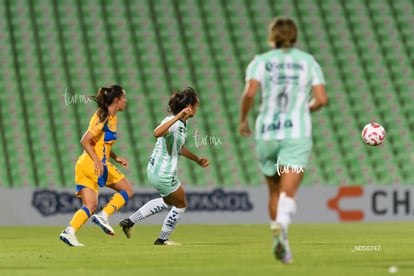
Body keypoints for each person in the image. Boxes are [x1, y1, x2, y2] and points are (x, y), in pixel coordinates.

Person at [238, 17, 328, 263]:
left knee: (274, 190)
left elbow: (249, 94)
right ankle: (281, 225)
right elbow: (321, 99)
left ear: (272, 37)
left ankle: (281, 241)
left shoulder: (260, 62)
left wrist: (243, 120)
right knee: (289, 190)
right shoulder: (308, 62)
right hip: (295, 133)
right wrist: (304, 109)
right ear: (296, 36)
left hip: (266, 131)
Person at [119, 87, 209, 245]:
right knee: (181, 204)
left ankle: (129, 222)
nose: (197, 108)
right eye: (196, 105)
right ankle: (162, 239)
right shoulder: (173, 122)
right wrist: (177, 117)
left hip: (156, 170)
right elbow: (156, 133)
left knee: (167, 202)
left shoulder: (179, 123)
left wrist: (197, 159)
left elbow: (178, 147)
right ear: (188, 106)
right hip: (163, 173)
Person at [59, 85, 134, 246]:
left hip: (84, 164)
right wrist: (98, 161)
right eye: (124, 98)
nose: (126, 101)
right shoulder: (104, 115)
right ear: (116, 100)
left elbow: (98, 142)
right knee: (127, 190)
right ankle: (104, 215)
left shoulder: (112, 117)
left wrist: (116, 156)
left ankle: (69, 232)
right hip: (95, 164)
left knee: (90, 205)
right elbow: (85, 140)